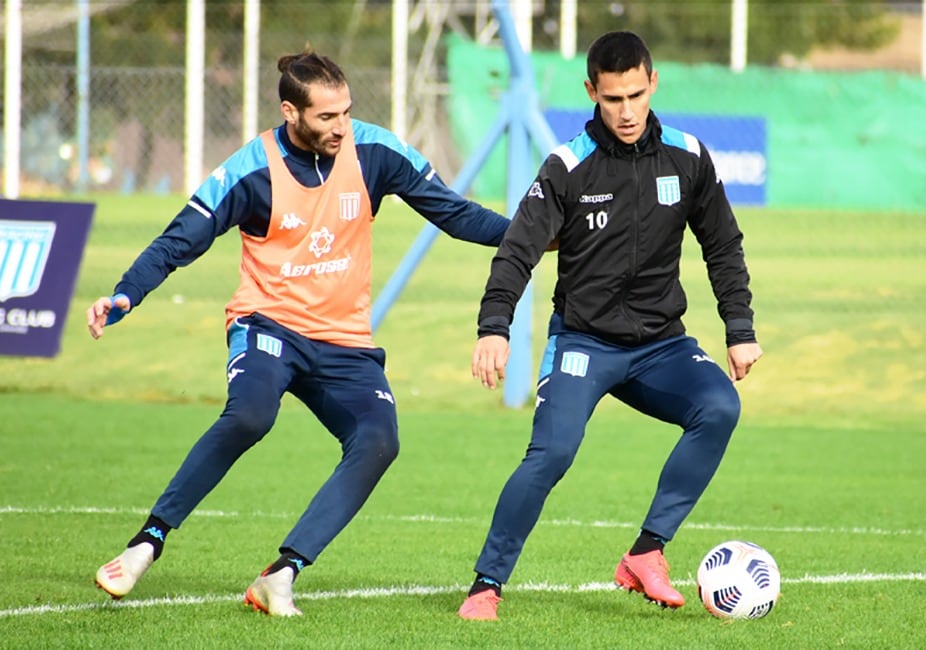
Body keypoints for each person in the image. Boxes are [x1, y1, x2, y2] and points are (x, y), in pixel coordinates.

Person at [88, 49, 509, 617]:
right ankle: (147, 542)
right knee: (250, 415)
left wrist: (534, 236)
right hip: (268, 325)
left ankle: (282, 573)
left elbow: (456, 214)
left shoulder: (375, 150)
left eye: (346, 113)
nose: (342, 127)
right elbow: (179, 240)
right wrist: (126, 292)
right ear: (291, 111)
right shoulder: (250, 169)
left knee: (379, 439)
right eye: (327, 117)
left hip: (343, 339)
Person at [457, 31, 762, 621]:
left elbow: (723, 245)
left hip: (661, 346)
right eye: (613, 98)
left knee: (719, 408)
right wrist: (494, 325)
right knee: (552, 454)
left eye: (636, 95)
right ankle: (485, 585)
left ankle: (647, 552)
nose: (626, 111)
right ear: (591, 91)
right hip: (583, 343)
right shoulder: (567, 166)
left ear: (654, 84)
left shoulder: (689, 156)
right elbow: (518, 250)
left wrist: (739, 326)